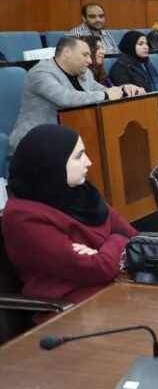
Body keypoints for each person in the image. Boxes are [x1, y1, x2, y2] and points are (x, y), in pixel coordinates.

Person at [2, 124, 137, 321]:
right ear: (52, 163)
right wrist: (117, 238)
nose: (88, 162)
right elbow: (96, 269)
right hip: (71, 312)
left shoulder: (84, 193)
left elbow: (135, 238)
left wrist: (106, 250)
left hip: (117, 290)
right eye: (78, 156)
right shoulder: (22, 217)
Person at [8, 37, 141, 155]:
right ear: (67, 52)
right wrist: (106, 95)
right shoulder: (40, 73)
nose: (90, 60)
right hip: (35, 142)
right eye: (85, 55)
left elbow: (102, 90)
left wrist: (124, 90)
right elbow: (65, 98)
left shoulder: (84, 73)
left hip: (70, 137)